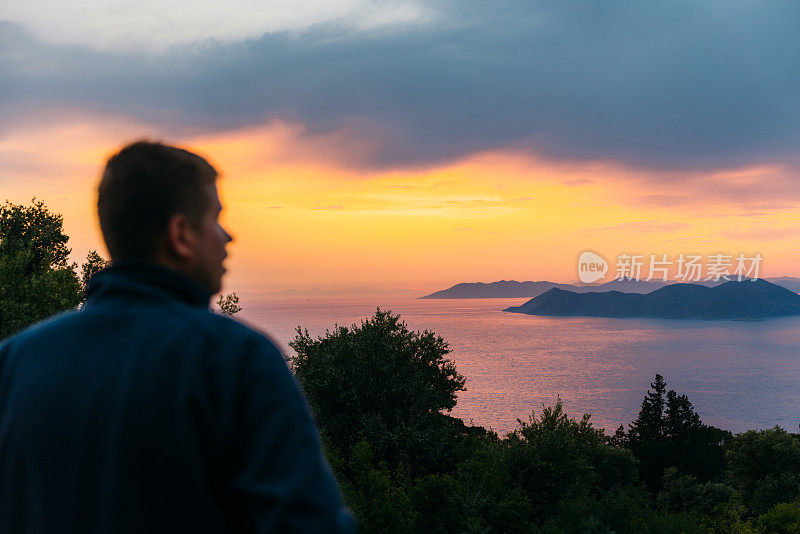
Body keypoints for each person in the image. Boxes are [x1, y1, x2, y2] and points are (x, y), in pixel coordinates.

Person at [0, 141, 355, 533]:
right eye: (216, 218)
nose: (228, 236)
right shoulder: (234, 361)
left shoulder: (14, 361)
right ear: (181, 235)